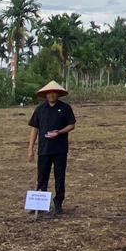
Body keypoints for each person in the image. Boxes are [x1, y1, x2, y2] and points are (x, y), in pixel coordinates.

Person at [27, 81, 77, 215]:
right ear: (45, 95)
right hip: (44, 149)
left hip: (60, 149)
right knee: (42, 177)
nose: (51, 95)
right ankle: (40, 203)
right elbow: (34, 128)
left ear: (58, 94)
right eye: (49, 93)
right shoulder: (40, 109)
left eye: (54, 92)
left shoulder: (65, 108)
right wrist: (31, 148)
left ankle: (58, 202)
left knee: (59, 177)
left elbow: (71, 125)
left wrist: (59, 132)